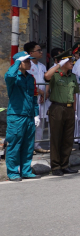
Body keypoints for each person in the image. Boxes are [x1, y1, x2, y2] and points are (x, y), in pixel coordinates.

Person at [4, 52, 40, 181]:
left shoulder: (31, 78)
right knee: (14, 144)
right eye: (26, 61)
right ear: (19, 63)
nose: (29, 63)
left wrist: (36, 114)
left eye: (30, 61)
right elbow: (9, 75)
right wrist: (17, 62)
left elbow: (34, 97)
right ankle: (13, 172)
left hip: (29, 115)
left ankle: (26, 170)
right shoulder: (13, 77)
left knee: (28, 145)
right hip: (17, 115)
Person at [44, 49, 78, 175]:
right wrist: (58, 64)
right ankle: (56, 166)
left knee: (68, 139)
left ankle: (65, 164)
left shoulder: (73, 76)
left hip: (69, 109)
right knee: (56, 138)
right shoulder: (56, 74)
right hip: (57, 108)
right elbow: (46, 76)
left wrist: (74, 110)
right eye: (69, 61)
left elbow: (74, 94)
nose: (72, 63)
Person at [24, 42, 49, 153]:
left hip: (42, 98)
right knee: (31, 122)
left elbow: (46, 80)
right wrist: (40, 92)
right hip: (33, 97)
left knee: (41, 122)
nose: (41, 52)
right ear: (31, 53)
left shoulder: (42, 66)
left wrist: (46, 92)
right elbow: (29, 82)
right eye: (38, 50)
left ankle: (37, 145)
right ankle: (29, 146)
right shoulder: (28, 66)